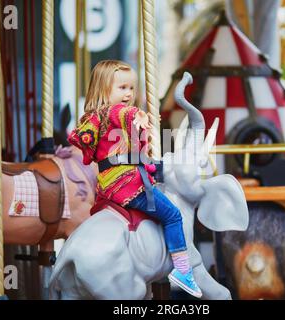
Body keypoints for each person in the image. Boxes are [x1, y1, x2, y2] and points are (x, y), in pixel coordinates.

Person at [67, 60, 202, 298]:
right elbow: (125, 114)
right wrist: (140, 116)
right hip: (129, 185)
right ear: (103, 88)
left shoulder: (94, 117)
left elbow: (78, 136)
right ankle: (182, 270)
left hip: (107, 187)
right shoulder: (120, 113)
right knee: (172, 215)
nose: (128, 94)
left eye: (131, 88)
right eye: (122, 88)